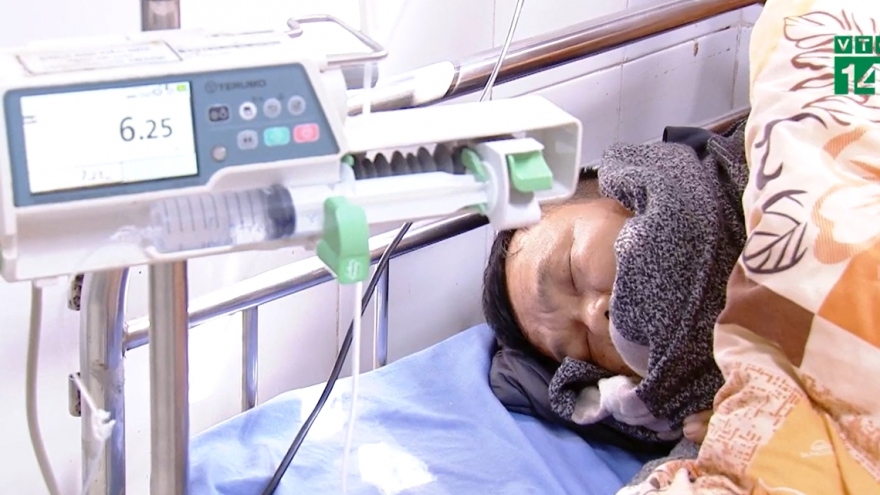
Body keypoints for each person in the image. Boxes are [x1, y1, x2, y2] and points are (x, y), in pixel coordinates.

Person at [482, 120, 749, 480]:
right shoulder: (723, 437)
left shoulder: (782, 141)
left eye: (572, 272)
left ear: (616, 187)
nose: (596, 317)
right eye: (584, 347)